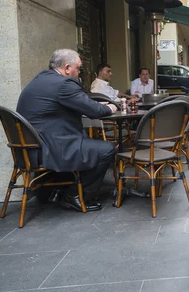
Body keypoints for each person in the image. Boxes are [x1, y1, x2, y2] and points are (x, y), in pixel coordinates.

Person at [17, 49, 118, 212]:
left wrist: (93, 106)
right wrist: (111, 107)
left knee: (87, 142)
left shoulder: (40, 79)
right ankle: (75, 196)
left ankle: (56, 190)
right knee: (107, 149)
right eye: (78, 68)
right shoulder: (64, 83)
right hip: (50, 148)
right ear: (67, 67)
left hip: (31, 147)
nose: (79, 72)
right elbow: (95, 111)